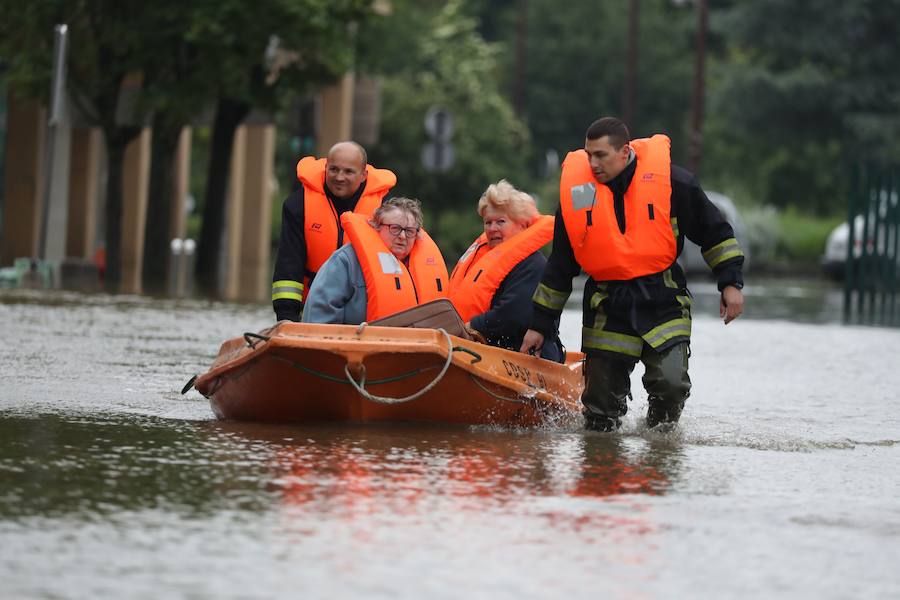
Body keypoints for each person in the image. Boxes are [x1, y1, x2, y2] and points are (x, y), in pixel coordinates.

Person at [520, 117, 745, 431]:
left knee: (671, 387)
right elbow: (560, 265)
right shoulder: (578, 194)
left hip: (663, 299)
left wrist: (731, 284)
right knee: (599, 411)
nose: (593, 164)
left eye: (601, 155)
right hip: (607, 305)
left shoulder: (674, 183)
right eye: (589, 155)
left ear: (624, 151)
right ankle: (603, 458)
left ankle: (658, 447)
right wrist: (540, 325)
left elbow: (715, 231)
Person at [271, 141, 396, 322]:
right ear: (325, 168)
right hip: (314, 308)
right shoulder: (298, 205)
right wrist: (286, 318)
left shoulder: (387, 210)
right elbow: (289, 264)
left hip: (367, 311)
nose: (339, 177)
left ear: (364, 175)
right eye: (333, 169)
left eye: (348, 172)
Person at [448, 180, 564, 361]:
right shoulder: (484, 260)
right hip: (483, 351)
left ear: (522, 225)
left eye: (500, 222)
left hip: (527, 358)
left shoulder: (534, 265)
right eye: (488, 222)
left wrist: (469, 327)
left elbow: (514, 316)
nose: (492, 229)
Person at [302, 197, 449, 324]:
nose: (402, 236)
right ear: (376, 227)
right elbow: (318, 315)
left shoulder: (425, 268)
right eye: (395, 228)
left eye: (409, 231)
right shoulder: (346, 262)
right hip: (357, 346)